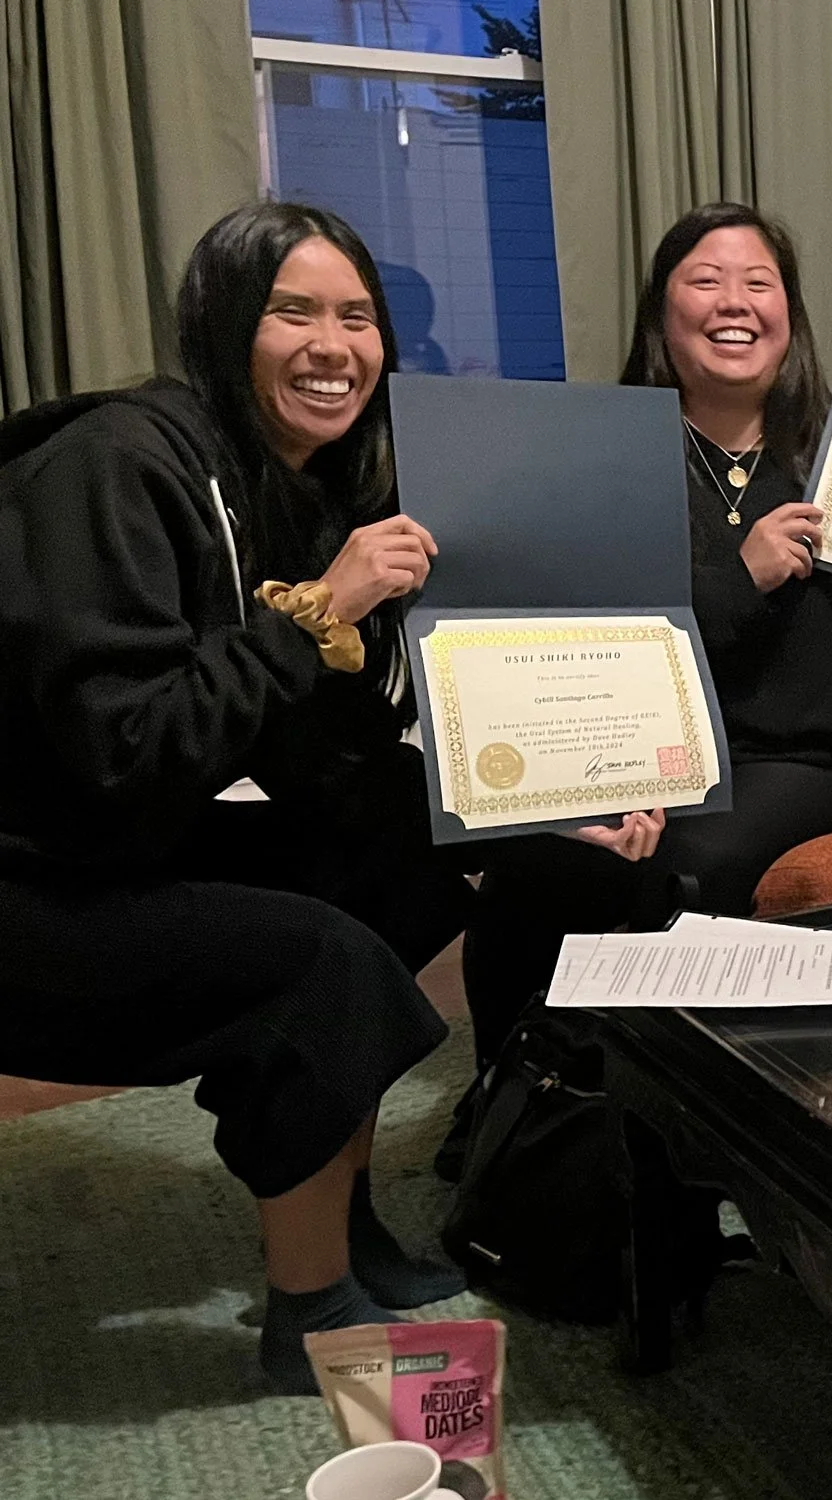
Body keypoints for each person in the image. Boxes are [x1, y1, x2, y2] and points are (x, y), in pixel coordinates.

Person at [0, 202, 539, 1391]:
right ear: (224, 322)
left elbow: (317, 753)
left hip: (126, 839)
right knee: (323, 964)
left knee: (395, 854)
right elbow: (125, 747)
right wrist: (319, 612)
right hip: (38, 879)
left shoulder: (289, 485)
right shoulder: (115, 466)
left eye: (357, 316)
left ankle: (341, 1218)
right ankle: (313, 1315)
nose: (332, 346)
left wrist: (545, 789)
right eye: (293, 312)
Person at [461, 203, 832, 1064]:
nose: (733, 302)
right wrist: (740, 577)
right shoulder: (607, 459)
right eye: (705, 281)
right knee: (530, 869)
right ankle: (510, 1095)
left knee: (687, 862)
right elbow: (593, 640)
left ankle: (640, 1090)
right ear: (662, 312)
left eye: (759, 283)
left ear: (790, 315)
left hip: (810, 757)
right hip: (645, 755)